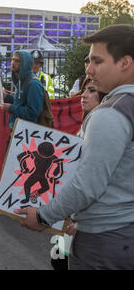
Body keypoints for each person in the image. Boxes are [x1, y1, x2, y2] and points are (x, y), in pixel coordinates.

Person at [15, 24, 134, 270]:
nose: (89, 71)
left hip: (103, 241)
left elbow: (87, 185)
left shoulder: (110, 114)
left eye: (97, 61)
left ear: (125, 63)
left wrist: (43, 216)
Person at [50, 75, 107, 270]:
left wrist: (76, 219)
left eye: (92, 91)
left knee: (61, 260)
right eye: (84, 90)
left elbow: (93, 182)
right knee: (58, 259)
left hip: (85, 220)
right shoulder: (87, 124)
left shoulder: (102, 130)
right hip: (72, 215)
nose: (84, 96)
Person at [2, 50, 45, 131]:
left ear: (25, 64)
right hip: (18, 130)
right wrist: (6, 96)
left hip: (27, 133)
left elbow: (32, 113)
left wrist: (11, 108)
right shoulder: (22, 80)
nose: (13, 63)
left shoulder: (34, 84)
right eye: (12, 59)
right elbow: (20, 101)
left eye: (17, 61)